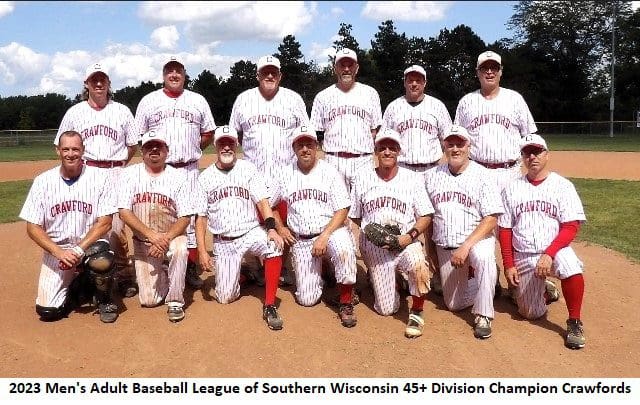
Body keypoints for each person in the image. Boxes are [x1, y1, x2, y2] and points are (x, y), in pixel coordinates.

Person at [454, 50, 559, 299]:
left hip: (509, 171)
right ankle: (487, 279)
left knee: (513, 227)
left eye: (494, 67)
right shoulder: (467, 102)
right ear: (477, 72)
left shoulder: (515, 99)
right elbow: (458, 137)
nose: (489, 71)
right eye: (485, 68)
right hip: (478, 172)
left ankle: (518, 280)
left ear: (501, 72)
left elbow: (530, 136)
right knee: (477, 226)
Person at [55, 62, 139, 297]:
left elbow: (132, 144)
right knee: (85, 223)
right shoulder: (75, 112)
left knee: (117, 227)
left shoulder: (122, 110)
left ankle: (123, 275)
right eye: (94, 79)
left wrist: (118, 165)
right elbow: (60, 143)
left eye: (102, 79)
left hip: (115, 171)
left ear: (109, 83)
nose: (99, 83)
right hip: (87, 171)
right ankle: (86, 275)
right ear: (87, 84)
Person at [498, 134, 587, 349]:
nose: (532, 157)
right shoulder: (511, 189)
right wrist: (509, 264)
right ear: (522, 158)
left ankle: (574, 322)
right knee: (530, 313)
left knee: (571, 266)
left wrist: (549, 253)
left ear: (547, 155)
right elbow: (505, 230)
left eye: (537, 151)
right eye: (527, 153)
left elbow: (571, 225)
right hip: (524, 254)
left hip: (555, 250)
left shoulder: (563, 186)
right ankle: (546, 292)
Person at [134, 55, 216, 290]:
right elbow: (139, 135)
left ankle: (188, 266)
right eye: (169, 70)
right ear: (163, 75)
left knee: (189, 217)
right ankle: (158, 261)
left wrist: (192, 148)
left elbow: (208, 132)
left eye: (178, 70)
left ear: (184, 74)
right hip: (160, 170)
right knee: (160, 214)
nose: (174, 74)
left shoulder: (197, 100)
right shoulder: (149, 101)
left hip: (188, 168)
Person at [20, 131, 119, 323]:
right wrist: (58, 252)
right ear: (58, 150)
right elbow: (32, 227)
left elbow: (105, 222)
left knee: (101, 260)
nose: (71, 154)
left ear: (83, 150)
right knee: (48, 312)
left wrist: (78, 250)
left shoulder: (101, 178)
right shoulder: (43, 181)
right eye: (65, 149)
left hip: (89, 246)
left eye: (75, 149)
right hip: (58, 251)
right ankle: (83, 283)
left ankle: (105, 299)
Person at [229, 55, 310, 286]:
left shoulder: (293, 99)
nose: (270, 75)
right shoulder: (244, 99)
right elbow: (234, 135)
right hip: (253, 173)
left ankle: (281, 264)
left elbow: (305, 133)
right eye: (265, 71)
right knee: (250, 220)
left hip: (285, 173)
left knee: (286, 219)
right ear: (258, 75)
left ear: (280, 75)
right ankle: (253, 265)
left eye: (274, 72)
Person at [195, 125, 286, 330]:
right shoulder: (205, 178)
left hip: (250, 232)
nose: (226, 147)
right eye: (222, 143)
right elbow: (201, 218)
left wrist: (271, 229)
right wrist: (202, 250)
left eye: (230, 143)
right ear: (216, 146)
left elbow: (263, 202)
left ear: (236, 145)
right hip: (224, 241)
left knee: (273, 246)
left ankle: (269, 305)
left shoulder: (248, 169)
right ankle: (247, 274)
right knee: (225, 297)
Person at [349, 128, 433, 338]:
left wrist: (409, 237)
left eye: (392, 148)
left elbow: (425, 216)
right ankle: (393, 278)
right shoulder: (362, 178)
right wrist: (372, 233)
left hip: (406, 240)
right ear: (376, 151)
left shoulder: (412, 179)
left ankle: (417, 311)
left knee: (418, 265)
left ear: (398, 151)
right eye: (382, 148)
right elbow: (356, 216)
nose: (387, 152)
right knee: (387, 309)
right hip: (376, 248)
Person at [271, 125, 358, 327]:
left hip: (331, 232)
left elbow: (343, 208)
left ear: (316, 146)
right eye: (300, 145)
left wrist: (325, 236)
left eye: (309, 144)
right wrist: (281, 228)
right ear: (294, 148)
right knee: (307, 300)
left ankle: (346, 301)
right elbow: (270, 205)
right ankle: (325, 270)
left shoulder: (330, 171)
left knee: (344, 250)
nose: (305, 149)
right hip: (302, 239)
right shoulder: (284, 173)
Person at [425, 125, 504, 339]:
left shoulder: (483, 175)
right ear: (444, 147)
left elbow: (492, 218)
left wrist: (467, 246)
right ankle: (487, 281)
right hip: (446, 246)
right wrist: (430, 250)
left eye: (460, 144)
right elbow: (428, 217)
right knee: (453, 304)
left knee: (484, 258)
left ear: (469, 146)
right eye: (450, 144)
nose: (455, 149)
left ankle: (484, 315)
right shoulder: (431, 176)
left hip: (477, 240)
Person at [118, 130, 198, 322]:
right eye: (149, 146)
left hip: (172, 236)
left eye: (158, 146)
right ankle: (167, 269)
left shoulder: (179, 177)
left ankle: (175, 301)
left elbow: (185, 217)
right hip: (143, 241)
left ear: (166, 150)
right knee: (149, 300)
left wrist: (164, 239)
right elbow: (124, 212)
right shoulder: (129, 174)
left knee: (180, 249)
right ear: (142, 151)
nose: (154, 149)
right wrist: (152, 236)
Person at [310, 48, 383, 190]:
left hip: (363, 160)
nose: (346, 69)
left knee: (364, 201)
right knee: (334, 202)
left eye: (350, 65)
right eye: (342, 65)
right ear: (335, 68)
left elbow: (375, 129)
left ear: (357, 68)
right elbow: (316, 131)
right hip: (333, 160)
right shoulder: (322, 96)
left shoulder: (370, 93)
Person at [382, 64, 452, 177]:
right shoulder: (393, 107)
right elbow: (383, 141)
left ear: (424, 83)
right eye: (410, 80)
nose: (414, 84)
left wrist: (443, 163)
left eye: (418, 80)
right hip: (402, 169)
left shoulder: (437, 106)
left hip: (432, 168)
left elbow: (448, 139)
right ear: (404, 83)